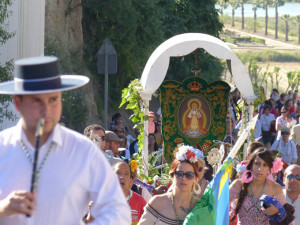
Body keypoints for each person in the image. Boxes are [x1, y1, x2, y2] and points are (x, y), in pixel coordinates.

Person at [0, 56, 131, 224]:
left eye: (53, 99)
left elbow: (117, 210)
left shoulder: (83, 151)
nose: (46, 110)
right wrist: (3, 207)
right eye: (36, 101)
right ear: (18, 103)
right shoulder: (2, 147)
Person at [138, 145, 199, 225]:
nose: (183, 178)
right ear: (172, 176)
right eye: (179, 173)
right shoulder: (157, 202)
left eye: (189, 175)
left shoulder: (199, 207)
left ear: (195, 178)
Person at [229, 148, 286, 225]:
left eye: (265, 165)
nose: (260, 169)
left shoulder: (276, 188)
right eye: (257, 163)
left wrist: (276, 212)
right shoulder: (238, 185)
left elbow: (285, 218)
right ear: (251, 165)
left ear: (269, 167)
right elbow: (218, 205)